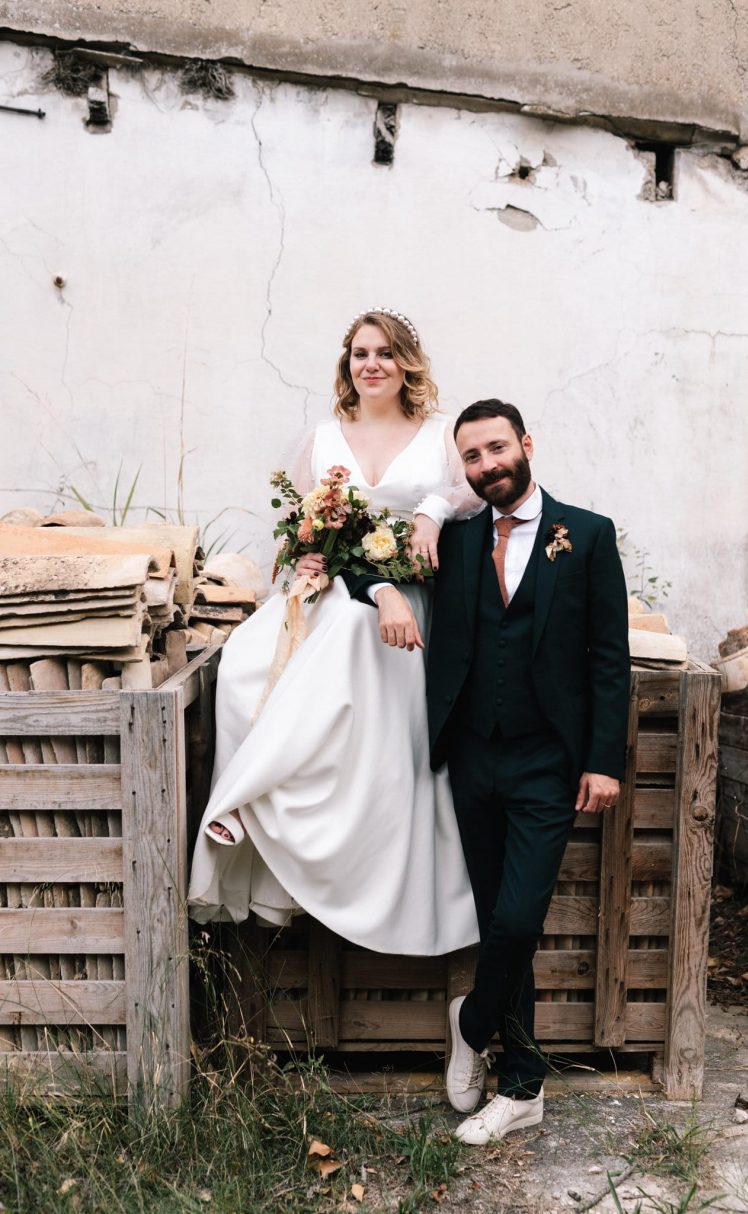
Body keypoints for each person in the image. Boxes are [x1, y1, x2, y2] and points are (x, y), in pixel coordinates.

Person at [348, 398, 630, 1144]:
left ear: (525, 445)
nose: (487, 466)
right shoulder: (459, 542)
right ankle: (523, 1088)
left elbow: (609, 656)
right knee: (503, 929)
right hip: (471, 757)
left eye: (496, 450)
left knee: (516, 919)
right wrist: (381, 591)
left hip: (548, 763)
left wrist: (605, 761)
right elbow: (353, 562)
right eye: (471, 458)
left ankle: (470, 1023)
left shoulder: (590, 536)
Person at [187, 309, 479, 957]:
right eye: (358, 353)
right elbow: (301, 531)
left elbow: (472, 492)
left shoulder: (439, 436)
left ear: (407, 362)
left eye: (383, 353)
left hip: (406, 599)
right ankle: (247, 802)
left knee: (354, 627)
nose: (369, 364)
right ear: (346, 365)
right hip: (334, 593)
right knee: (240, 665)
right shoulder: (320, 440)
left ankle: (264, 806)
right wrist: (307, 557)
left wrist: (430, 511)